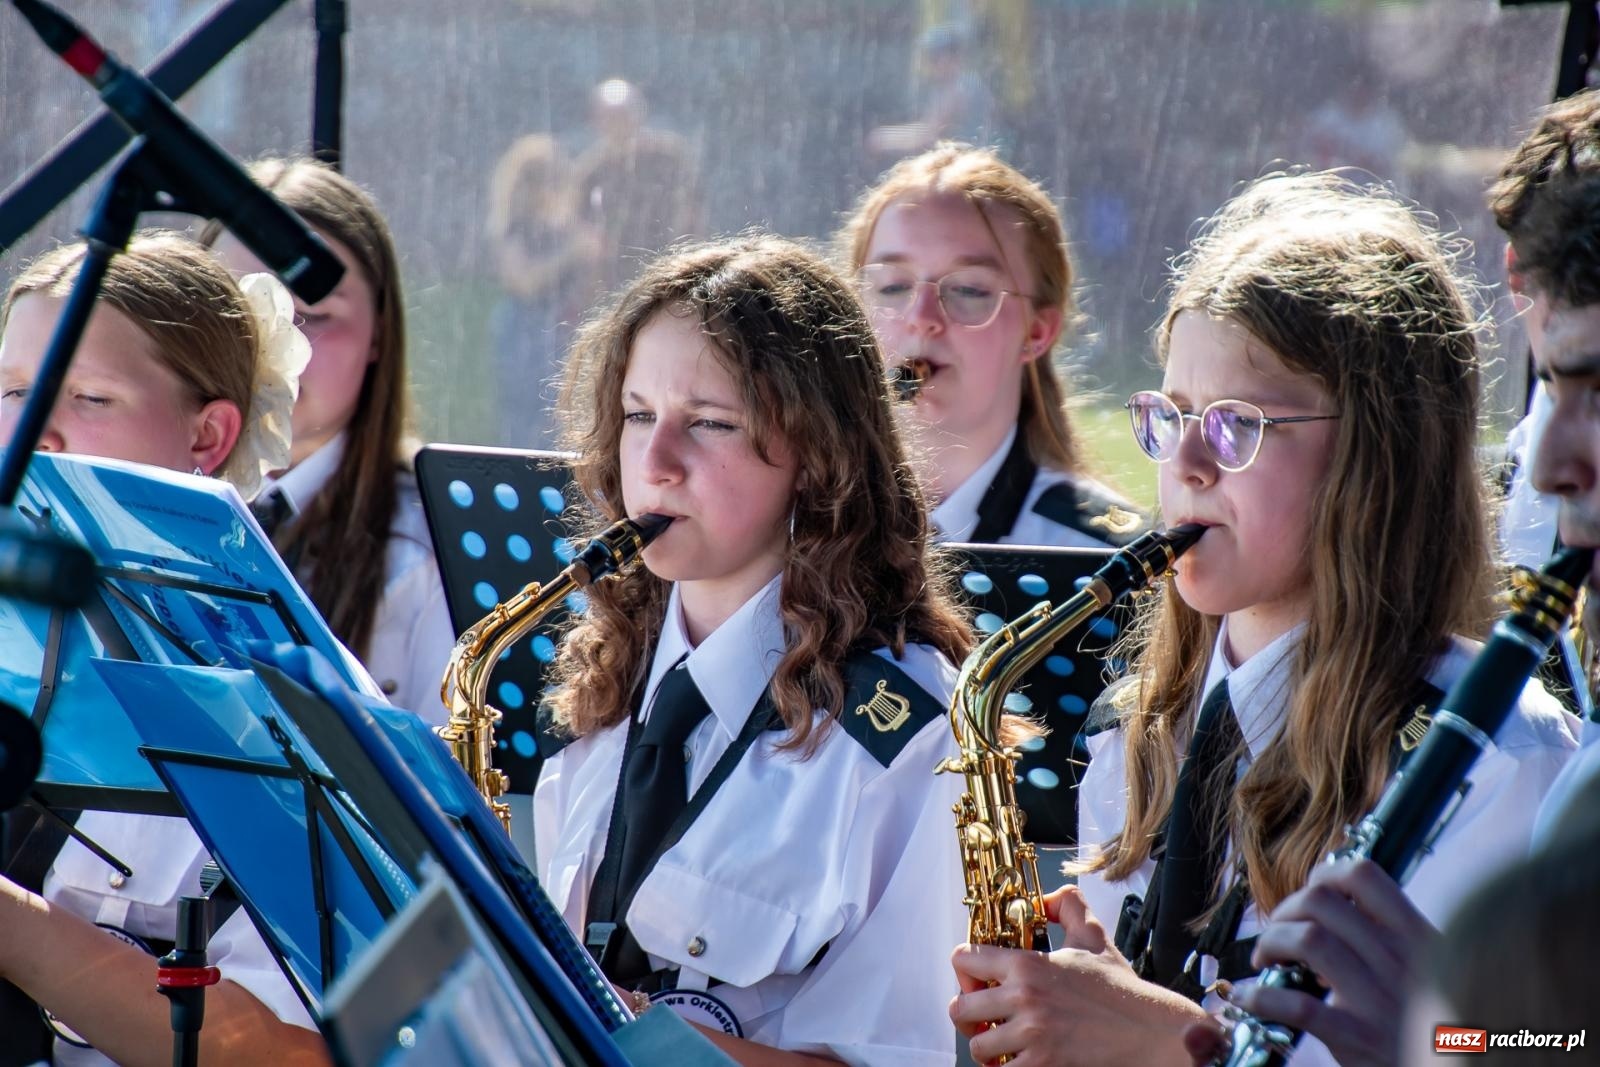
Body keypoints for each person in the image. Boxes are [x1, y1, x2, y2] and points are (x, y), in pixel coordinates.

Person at [947, 171, 1578, 1067]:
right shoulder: (1141, 735)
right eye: (1169, 416)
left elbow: (1529, 1042)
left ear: (1377, 458)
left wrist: (1180, 1041)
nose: (1189, 464)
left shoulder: (1499, 761)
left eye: (1238, 423)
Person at [1178, 93, 1600, 1067]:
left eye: (1597, 392)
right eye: (1553, 389)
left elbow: (1532, 1044)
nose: (1544, 467)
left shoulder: (1525, 760)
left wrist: (1434, 1034)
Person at [534, 234, 972, 1065]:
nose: (655, 463)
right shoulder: (606, 672)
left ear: (817, 460)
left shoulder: (905, 735)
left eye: (710, 423)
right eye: (636, 415)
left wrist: (626, 1042)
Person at [0, 231, 329, 1066]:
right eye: (12, 392)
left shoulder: (268, 719)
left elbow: (286, 1055)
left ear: (208, 436)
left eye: (90, 398)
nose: (36, 432)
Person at [202, 158, 454, 722]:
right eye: (238, 318)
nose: (273, 352)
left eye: (312, 315)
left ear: (379, 335)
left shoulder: (429, 546)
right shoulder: (139, 508)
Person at [839, 143, 1142, 550]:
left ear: (1036, 332)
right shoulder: (784, 529)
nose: (922, 315)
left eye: (968, 289)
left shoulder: (1102, 557)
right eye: (893, 286)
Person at [484, 132, 601, 447]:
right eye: (547, 180)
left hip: (566, 322)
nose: (554, 188)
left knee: (564, 406)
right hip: (527, 326)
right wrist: (570, 254)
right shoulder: (514, 226)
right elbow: (523, 282)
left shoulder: (567, 225)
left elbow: (592, 265)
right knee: (527, 407)